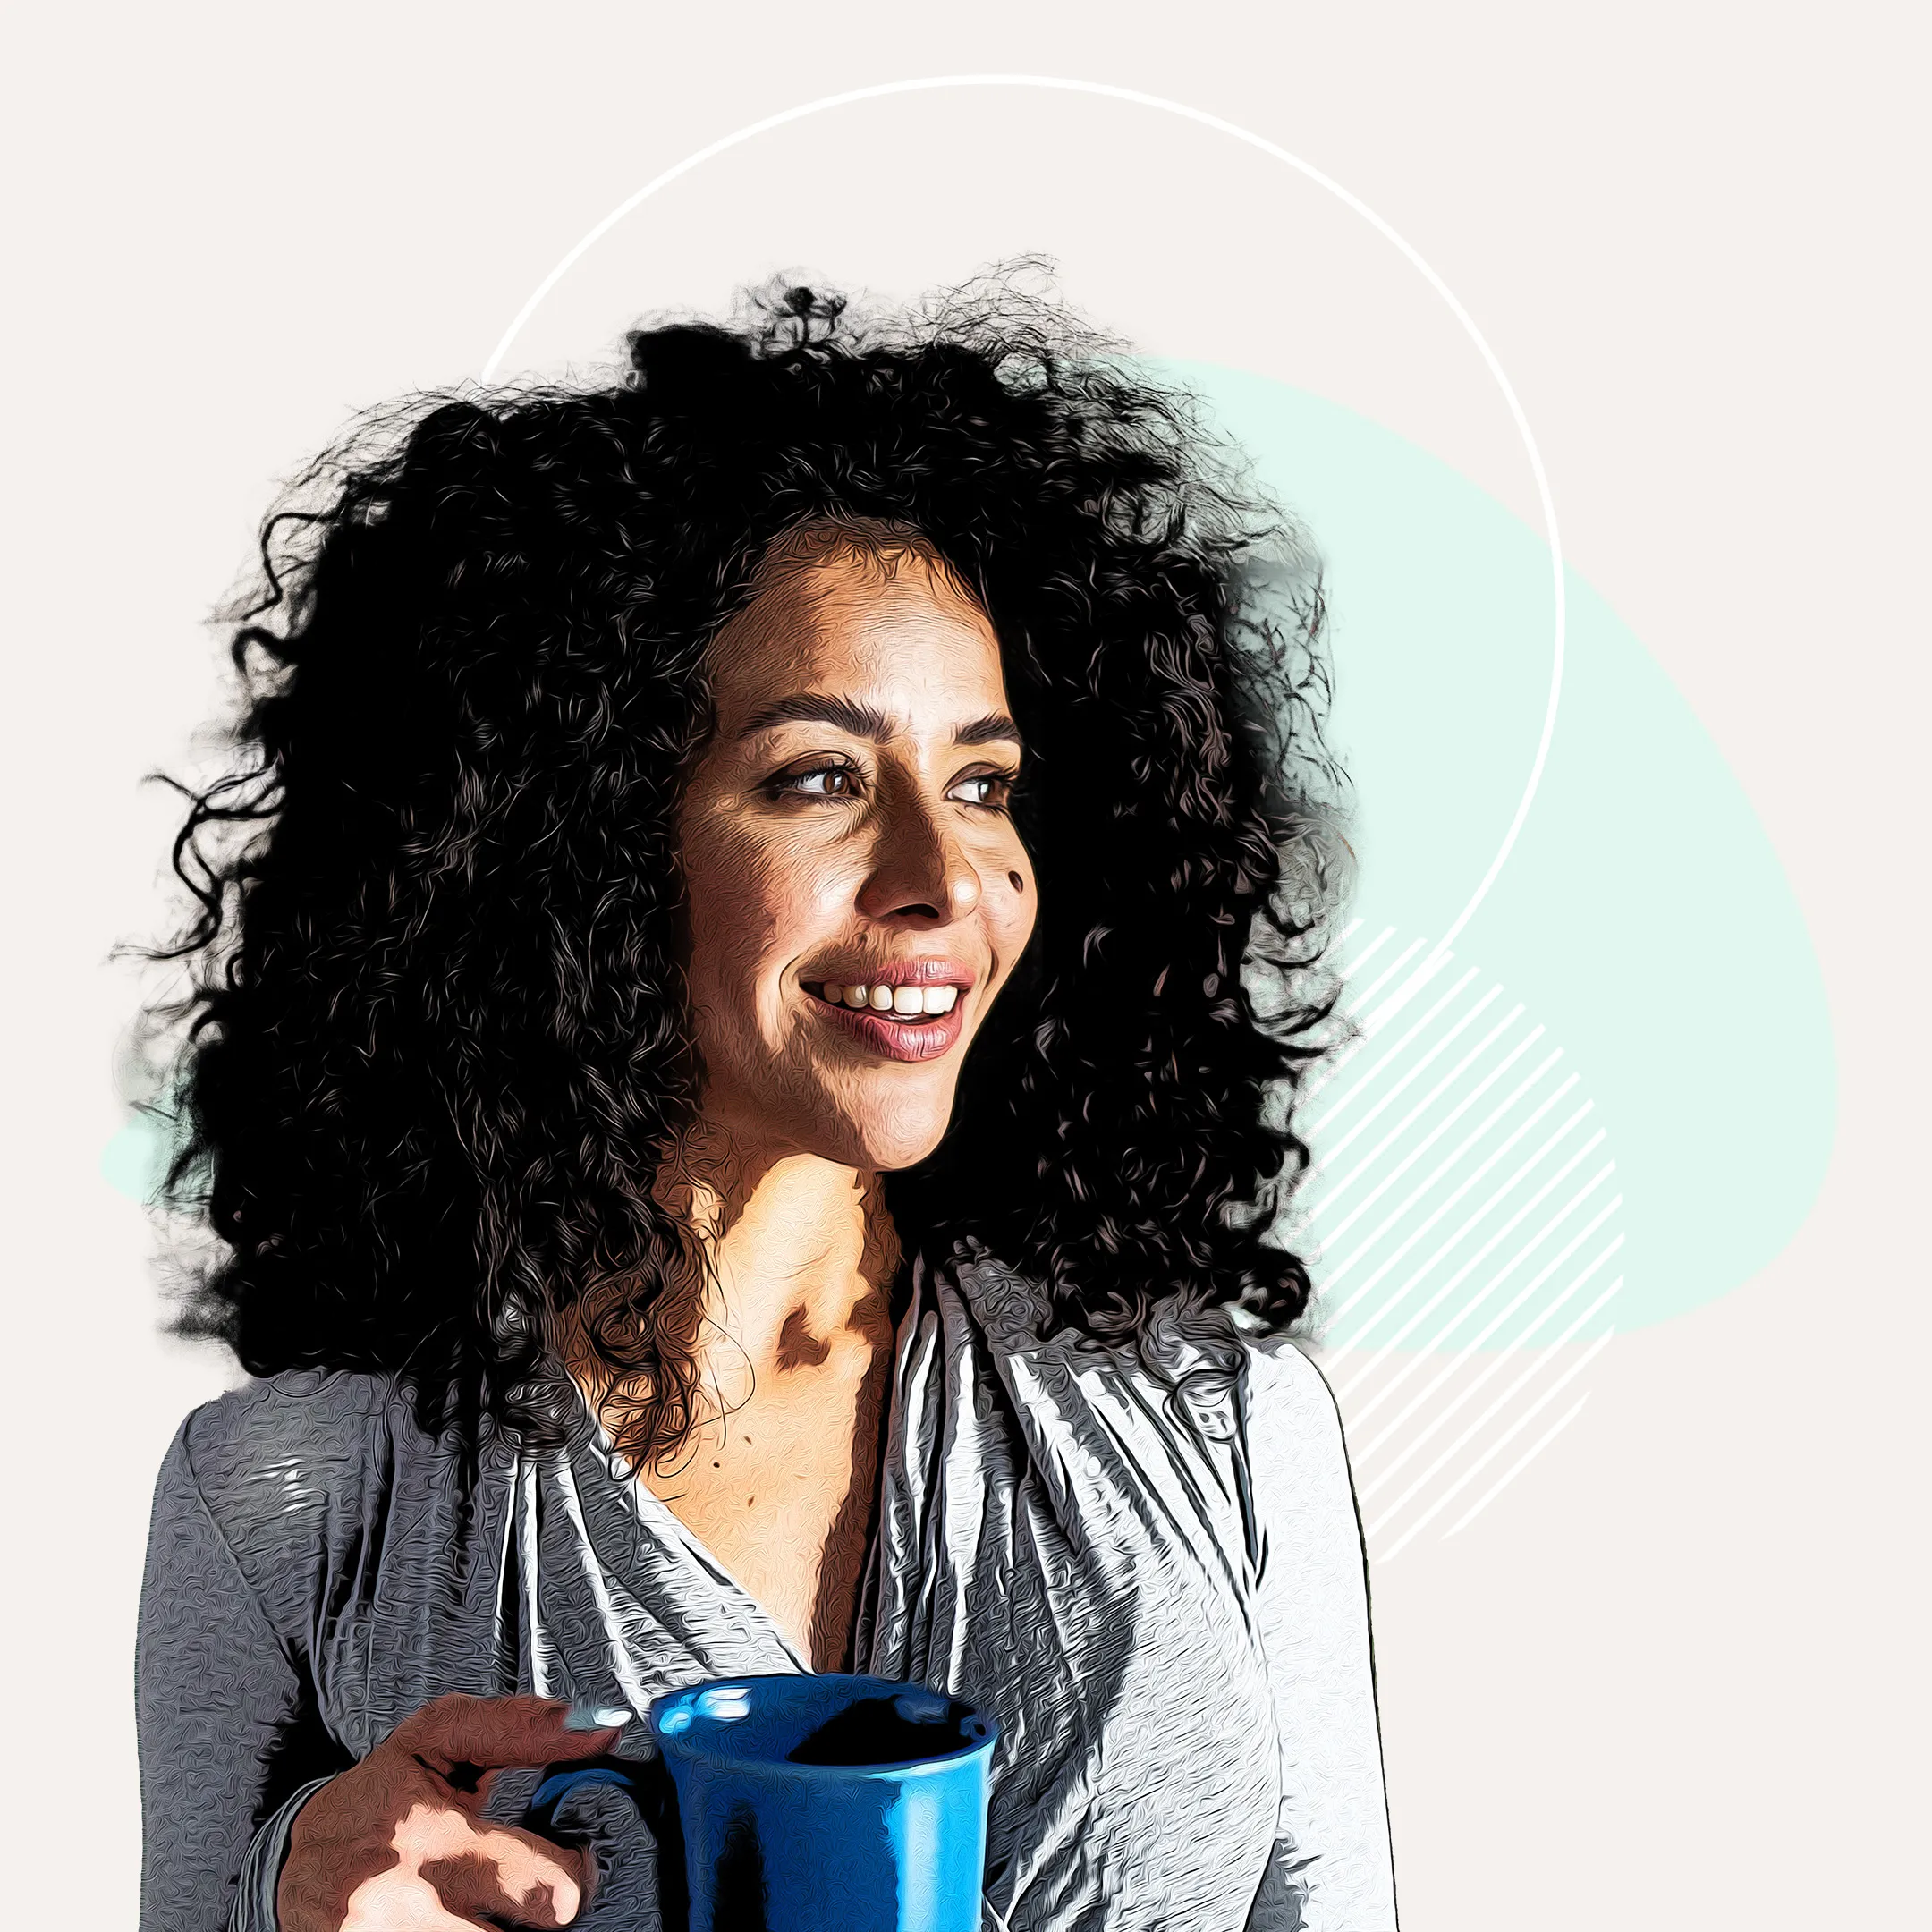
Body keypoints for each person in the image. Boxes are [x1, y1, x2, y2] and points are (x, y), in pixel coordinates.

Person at [134, 278, 1398, 1931]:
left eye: (983, 782)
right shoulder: (289, 1504)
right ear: (584, 836)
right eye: (818, 778)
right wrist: (274, 1915)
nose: (944, 880)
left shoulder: (1225, 1435)